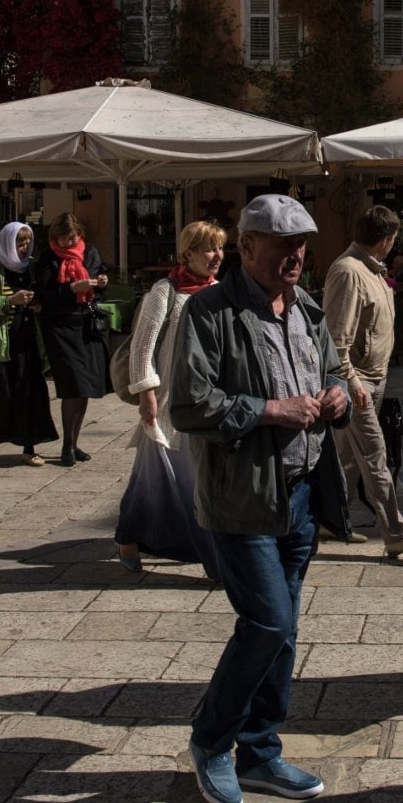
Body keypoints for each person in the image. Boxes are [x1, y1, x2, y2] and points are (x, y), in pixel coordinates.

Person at [169, 193, 349, 803]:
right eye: (282, 243)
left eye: (302, 242)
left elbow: (334, 372)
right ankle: (210, 740)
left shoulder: (309, 310)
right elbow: (188, 404)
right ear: (246, 247)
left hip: (299, 495)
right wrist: (269, 411)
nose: (296, 253)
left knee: (285, 629)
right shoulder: (208, 313)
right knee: (268, 621)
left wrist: (337, 396)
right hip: (240, 498)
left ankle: (261, 750)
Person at [114, 220, 228, 576]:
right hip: (168, 404)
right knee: (181, 482)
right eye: (209, 249)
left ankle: (129, 535)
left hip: (208, 401)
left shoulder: (220, 291)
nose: (217, 256)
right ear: (188, 252)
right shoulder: (165, 290)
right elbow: (141, 348)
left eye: (220, 248)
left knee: (157, 480)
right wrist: (146, 393)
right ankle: (215, 562)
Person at [323, 206, 403, 559]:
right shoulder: (348, 272)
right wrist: (352, 382)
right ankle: (396, 533)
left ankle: (326, 519)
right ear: (387, 240)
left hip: (374, 379)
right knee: (375, 456)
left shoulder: (372, 270)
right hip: (357, 383)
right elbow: (334, 339)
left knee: (348, 461)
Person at [0, 222, 57, 467]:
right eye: (19, 242)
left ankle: (29, 446)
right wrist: (10, 301)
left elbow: (40, 294)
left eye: (27, 242)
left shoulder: (31, 267)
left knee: (30, 393)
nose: (24, 247)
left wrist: (37, 304)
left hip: (27, 340)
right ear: (8, 242)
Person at [30, 213, 109, 468]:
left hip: (84, 323)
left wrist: (101, 283)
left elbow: (98, 280)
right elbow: (43, 295)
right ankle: (66, 445)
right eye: (62, 239)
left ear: (79, 235)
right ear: (54, 238)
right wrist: (72, 289)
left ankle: (74, 443)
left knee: (84, 387)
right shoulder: (48, 259)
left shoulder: (90, 252)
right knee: (72, 385)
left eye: (71, 238)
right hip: (59, 327)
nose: (67, 243)